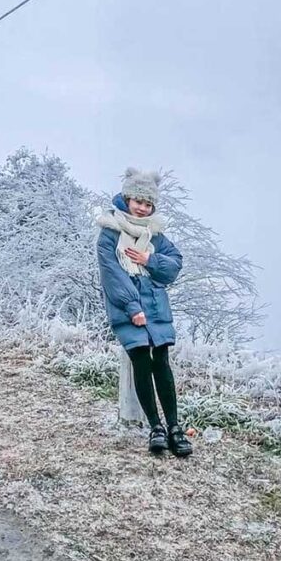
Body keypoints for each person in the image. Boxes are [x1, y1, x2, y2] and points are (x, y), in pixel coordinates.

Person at [96, 168, 192, 457]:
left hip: (156, 305)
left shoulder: (154, 235)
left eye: (148, 204)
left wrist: (150, 259)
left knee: (161, 359)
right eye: (138, 201)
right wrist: (133, 308)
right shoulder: (110, 232)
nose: (142, 208)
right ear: (126, 199)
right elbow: (112, 274)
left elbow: (174, 265)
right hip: (129, 307)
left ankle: (174, 426)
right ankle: (155, 426)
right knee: (140, 357)